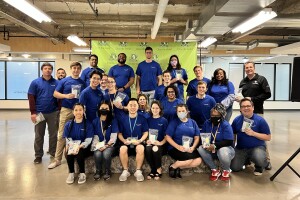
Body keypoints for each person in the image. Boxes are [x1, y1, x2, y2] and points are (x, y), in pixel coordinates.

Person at [48, 62, 86, 169]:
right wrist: (65, 96)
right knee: (61, 135)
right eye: (74, 68)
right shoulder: (64, 81)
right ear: (71, 69)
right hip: (66, 109)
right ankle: (57, 159)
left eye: (78, 68)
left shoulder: (83, 82)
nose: (76, 70)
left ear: (80, 70)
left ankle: (77, 154)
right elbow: (55, 94)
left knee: (79, 133)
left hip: (79, 110)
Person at [237, 61, 272, 170]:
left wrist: (252, 99)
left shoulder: (261, 79)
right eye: (246, 68)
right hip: (244, 113)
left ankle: (266, 160)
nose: (248, 69)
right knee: (246, 133)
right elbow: (241, 95)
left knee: (259, 135)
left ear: (254, 68)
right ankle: (247, 157)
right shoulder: (243, 82)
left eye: (250, 67)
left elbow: (268, 94)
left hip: (257, 111)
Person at [28, 62, 59, 164]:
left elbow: (59, 97)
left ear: (52, 70)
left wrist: (58, 109)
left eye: (49, 68)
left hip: (53, 113)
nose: (47, 70)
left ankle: (53, 153)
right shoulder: (35, 82)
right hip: (39, 113)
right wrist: (33, 112)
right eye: (45, 68)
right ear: (42, 70)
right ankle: (38, 155)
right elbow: (31, 97)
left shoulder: (56, 83)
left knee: (53, 135)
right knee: (39, 135)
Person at [231, 98, 271, 176]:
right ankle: (247, 159)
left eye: (248, 106)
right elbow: (233, 134)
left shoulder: (260, 120)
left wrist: (253, 133)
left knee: (259, 157)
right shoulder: (237, 120)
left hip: (257, 148)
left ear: (253, 108)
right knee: (234, 168)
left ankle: (262, 164)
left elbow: (268, 137)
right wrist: (232, 147)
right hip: (241, 148)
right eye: (243, 106)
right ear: (240, 109)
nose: (246, 108)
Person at [197, 103, 235, 181]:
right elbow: (204, 136)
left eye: (216, 116)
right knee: (200, 148)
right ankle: (214, 170)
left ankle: (226, 170)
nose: (213, 117)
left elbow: (229, 141)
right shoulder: (207, 123)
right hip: (211, 149)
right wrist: (205, 144)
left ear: (221, 115)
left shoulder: (226, 125)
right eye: (212, 115)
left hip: (226, 149)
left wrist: (214, 146)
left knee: (222, 151)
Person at [166, 104, 202, 179]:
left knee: (198, 160)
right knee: (188, 160)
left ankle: (177, 166)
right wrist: (178, 147)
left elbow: (196, 137)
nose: (181, 112)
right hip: (175, 148)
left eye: (183, 111)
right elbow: (167, 137)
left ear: (187, 112)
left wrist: (193, 147)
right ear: (177, 112)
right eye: (179, 111)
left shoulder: (193, 122)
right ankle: (172, 167)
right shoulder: (174, 122)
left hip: (189, 148)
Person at [118, 98, 149, 182]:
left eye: (135, 105)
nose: (132, 107)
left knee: (141, 148)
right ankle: (125, 171)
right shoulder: (123, 119)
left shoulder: (142, 118)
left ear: (138, 106)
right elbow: (119, 134)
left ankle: (138, 171)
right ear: (127, 106)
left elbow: (145, 132)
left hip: (137, 142)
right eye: (130, 105)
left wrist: (140, 141)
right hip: (126, 142)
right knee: (122, 149)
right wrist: (124, 140)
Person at [64, 103, 94, 184]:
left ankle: (82, 173)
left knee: (79, 152)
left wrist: (80, 146)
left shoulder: (88, 124)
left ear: (83, 111)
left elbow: (88, 140)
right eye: (76, 110)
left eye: (80, 110)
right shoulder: (68, 124)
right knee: (69, 151)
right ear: (73, 112)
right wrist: (71, 145)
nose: (78, 112)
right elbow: (67, 138)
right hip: (73, 146)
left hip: (85, 147)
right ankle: (71, 173)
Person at [92, 101, 119, 181]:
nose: (104, 110)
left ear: (110, 109)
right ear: (99, 109)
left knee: (106, 153)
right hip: (99, 145)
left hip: (110, 145)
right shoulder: (95, 121)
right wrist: (98, 145)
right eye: (102, 108)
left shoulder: (113, 120)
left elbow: (114, 137)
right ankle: (98, 171)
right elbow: (95, 136)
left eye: (106, 108)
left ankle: (107, 171)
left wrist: (106, 146)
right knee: (97, 153)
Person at [145, 101, 168, 180]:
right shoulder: (147, 120)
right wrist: (147, 140)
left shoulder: (164, 120)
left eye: (157, 108)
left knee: (155, 149)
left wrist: (160, 143)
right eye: (153, 108)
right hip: (150, 143)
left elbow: (167, 136)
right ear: (150, 109)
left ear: (160, 109)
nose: (155, 110)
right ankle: (153, 170)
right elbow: (145, 133)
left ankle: (158, 169)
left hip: (160, 144)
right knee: (148, 149)